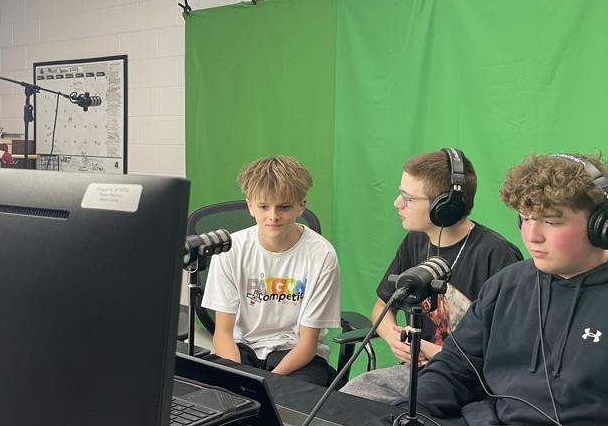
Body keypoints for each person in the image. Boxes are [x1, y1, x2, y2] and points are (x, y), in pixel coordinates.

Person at [407, 152, 608, 426]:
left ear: (601, 225)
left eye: (552, 222)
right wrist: (409, 410)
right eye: (525, 219)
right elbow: (454, 369)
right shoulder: (507, 285)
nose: (532, 236)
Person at [341, 148, 522, 403]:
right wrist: (395, 338)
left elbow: (509, 352)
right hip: (414, 373)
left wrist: (436, 352)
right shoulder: (415, 241)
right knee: (348, 400)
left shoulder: (497, 256)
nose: (397, 203)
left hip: (472, 385)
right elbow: (382, 307)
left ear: (444, 207)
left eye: (408, 198)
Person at [202, 155, 341, 386]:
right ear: (250, 206)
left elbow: (307, 344)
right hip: (241, 349)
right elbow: (223, 333)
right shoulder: (230, 249)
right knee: (223, 402)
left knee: (290, 409)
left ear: (301, 206)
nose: (273, 216)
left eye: (284, 207)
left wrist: (266, 384)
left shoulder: (322, 255)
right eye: (264, 207)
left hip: (297, 356)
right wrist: (237, 376)